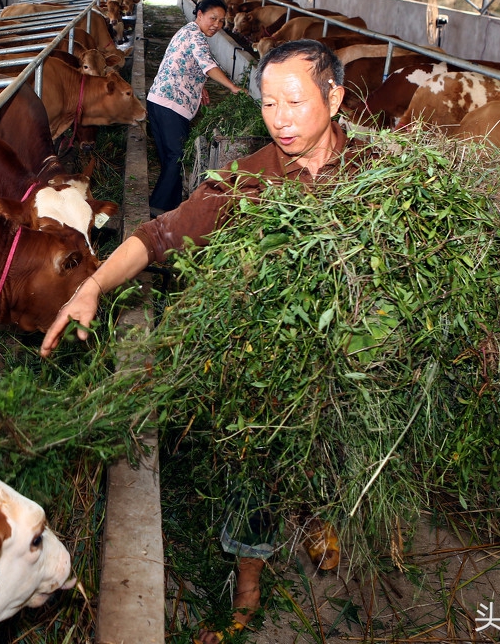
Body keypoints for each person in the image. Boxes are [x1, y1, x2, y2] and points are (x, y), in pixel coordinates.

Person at [41, 37, 352, 643]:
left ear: (334, 98)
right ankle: (248, 583)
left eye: (294, 101)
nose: (280, 119)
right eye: (267, 104)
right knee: (258, 465)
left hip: (347, 359)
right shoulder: (250, 180)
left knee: (330, 446)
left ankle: (315, 514)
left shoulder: (377, 174)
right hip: (271, 365)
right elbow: (162, 233)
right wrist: (94, 287)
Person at [146, 0, 243, 215]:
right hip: (172, 105)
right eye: (212, 18)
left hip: (158, 100)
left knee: (169, 159)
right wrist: (232, 87)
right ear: (199, 15)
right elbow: (207, 65)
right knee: (177, 156)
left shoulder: (186, 31)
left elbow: (181, 62)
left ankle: (169, 208)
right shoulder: (196, 36)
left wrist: (200, 86)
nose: (217, 25)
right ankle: (157, 208)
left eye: (221, 21)